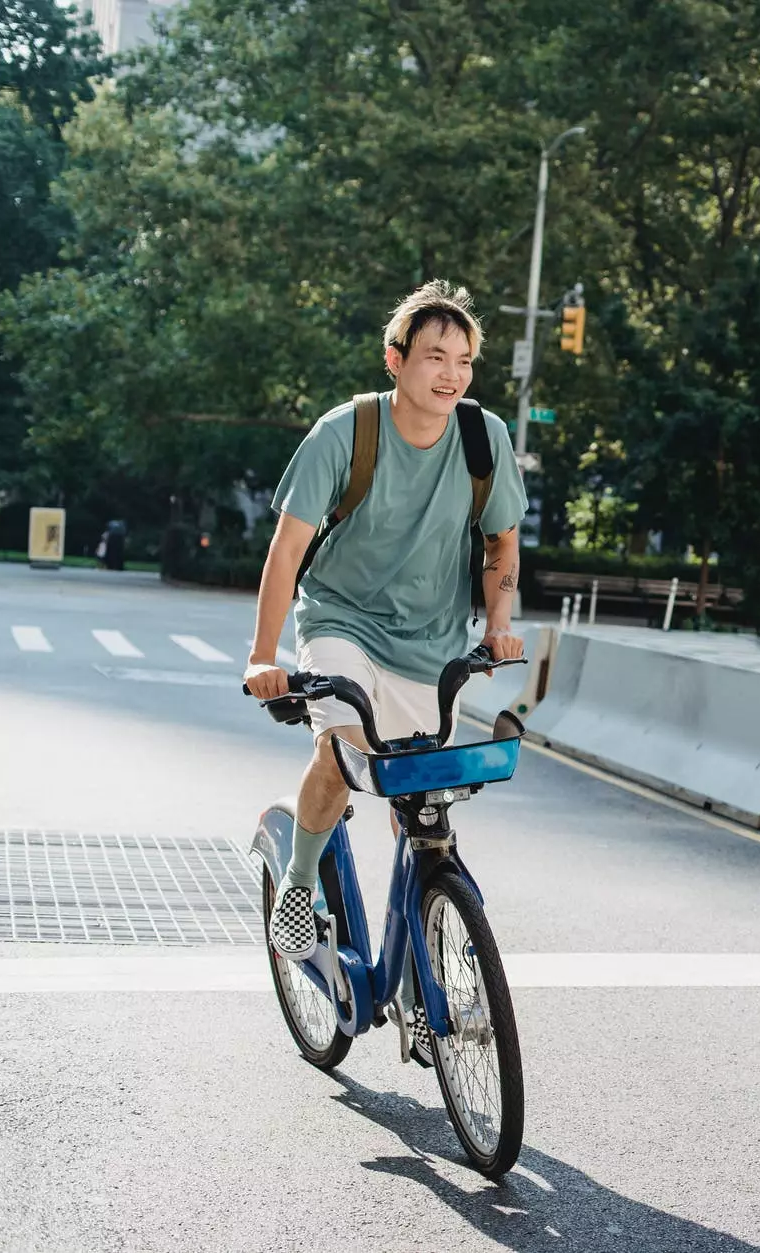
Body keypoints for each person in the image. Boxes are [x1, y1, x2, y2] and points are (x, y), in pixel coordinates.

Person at [244, 280, 528, 960]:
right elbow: (287, 550)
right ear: (396, 359)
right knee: (343, 753)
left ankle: (420, 967)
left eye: (464, 360)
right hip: (344, 621)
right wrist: (263, 656)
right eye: (436, 356)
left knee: (421, 808)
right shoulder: (346, 433)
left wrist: (497, 624)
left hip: (432, 646)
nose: (452, 373)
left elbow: (502, 543)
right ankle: (299, 878)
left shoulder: (483, 438)